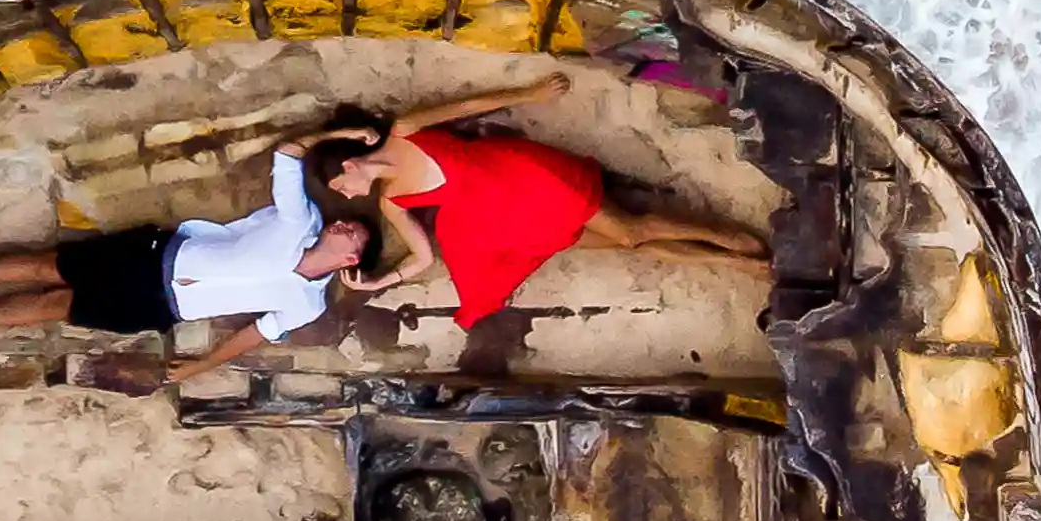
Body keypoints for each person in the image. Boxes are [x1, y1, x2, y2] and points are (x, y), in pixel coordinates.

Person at [306, 72, 773, 328]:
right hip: (509, 224)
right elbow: (422, 257)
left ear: (348, 165)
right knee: (624, 244)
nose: (346, 197)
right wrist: (378, 282)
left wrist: (528, 94)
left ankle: (725, 237)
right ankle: (733, 264)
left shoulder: (405, 131)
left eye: (340, 188)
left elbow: (467, 107)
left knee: (631, 231)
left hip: (530, 178)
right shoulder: (391, 201)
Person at [0, 144, 369, 383]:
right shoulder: (298, 218)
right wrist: (347, 136)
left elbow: (254, 335)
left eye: (354, 234)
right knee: (45, 267)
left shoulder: (307, 303)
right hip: (154, 254)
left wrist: (200, 365)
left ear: (349, 261)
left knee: (52, 307)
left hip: (162, 306)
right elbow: (290, 152)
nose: (344, 224)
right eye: (348, 221)